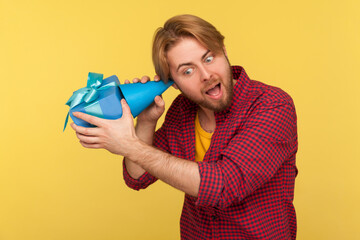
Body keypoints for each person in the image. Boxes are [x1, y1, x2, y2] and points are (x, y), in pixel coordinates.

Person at [71, 14, 298, 240]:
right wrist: (147, 121)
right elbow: (138, 176)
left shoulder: (271, 105)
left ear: (225, 51)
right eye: (187, 71)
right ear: (174, 83)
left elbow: (224, 186)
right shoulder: (182, 110)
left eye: (209, 58)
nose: (206, 75)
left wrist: (130, 145)